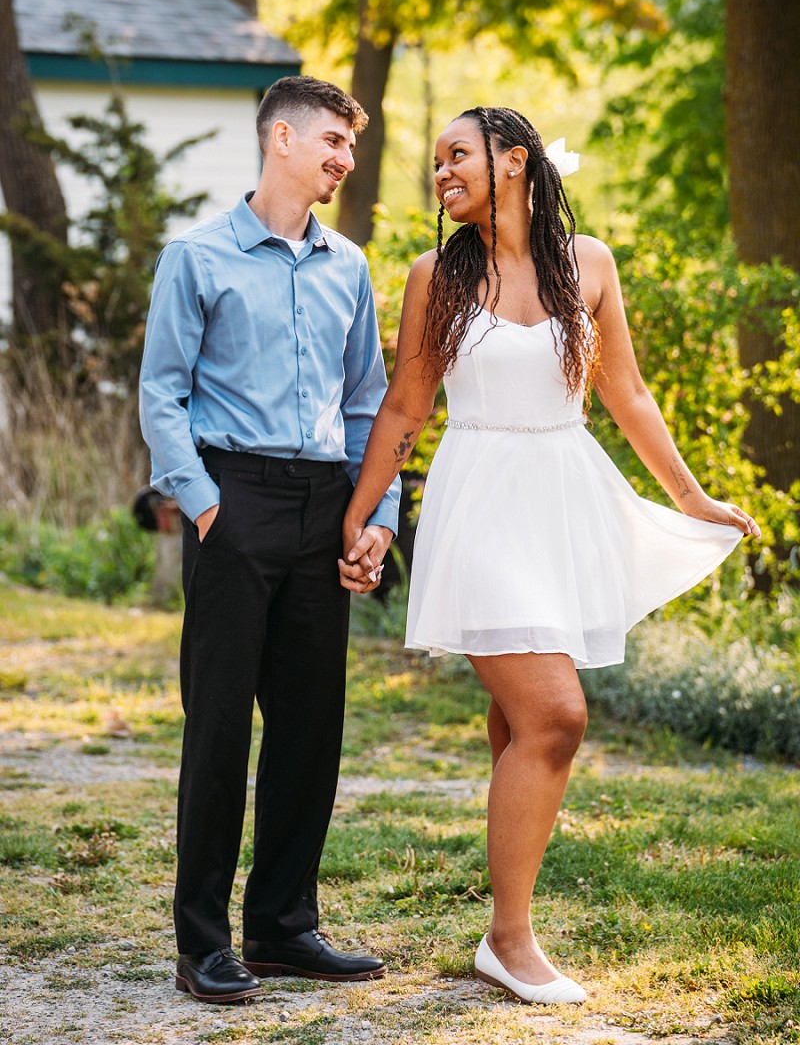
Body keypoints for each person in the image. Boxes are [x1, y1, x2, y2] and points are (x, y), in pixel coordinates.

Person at [339, 105, 760, 1006]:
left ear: (515, 161)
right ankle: (511, 938)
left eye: (459, 155)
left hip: (565, 499)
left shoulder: (590, 265)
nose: (441, 172)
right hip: (480, 499)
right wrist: (360, 516)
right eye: (436, 161)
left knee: (515, 721)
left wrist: (691, 498)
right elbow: (406, 409)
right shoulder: (435, 276)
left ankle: (506, 927)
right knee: (555, 715)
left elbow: (629, 393)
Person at [139, 75, 400, 1004]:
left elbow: (370, 403)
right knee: (217, 731)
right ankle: (203, 940)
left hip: (323, 503)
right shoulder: (198, 256)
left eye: (352, 146)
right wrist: (208, 506)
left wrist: (376, 513)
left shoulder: (349, 267)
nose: (344, 159)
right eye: (332, 139)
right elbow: (161, 394)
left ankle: (285, 926)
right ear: (279, 138)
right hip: (233, 500)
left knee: (309, 730)